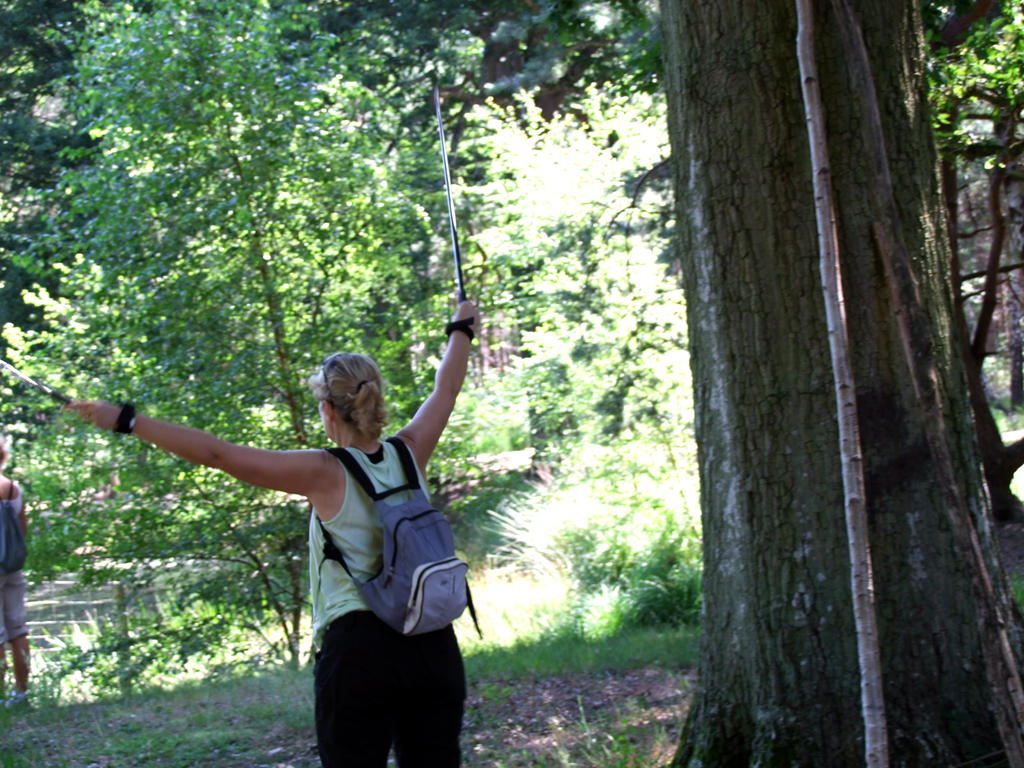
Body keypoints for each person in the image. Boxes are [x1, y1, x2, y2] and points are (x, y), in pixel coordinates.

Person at [66, 300, 477, 767]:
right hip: (432, 644)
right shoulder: (410, 451)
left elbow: (219, 455)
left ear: (328, 409)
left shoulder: (324, 471)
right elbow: (447, 388)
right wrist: (461, 327)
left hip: (361, 652)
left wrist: (127, 420)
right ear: (375, 397)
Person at [0, 433, 31, 708]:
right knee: (18, 630)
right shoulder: (13, 489)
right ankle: (21, 694)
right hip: (12, 567)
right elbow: (22, 531)